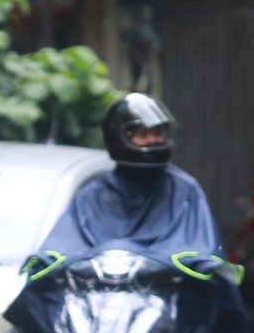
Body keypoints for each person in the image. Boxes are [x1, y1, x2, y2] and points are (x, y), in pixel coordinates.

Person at [40, 93, 225, 261]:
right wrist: (47, 260)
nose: (153, 140)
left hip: (168, 294)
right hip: (99, 294)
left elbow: (204, 249)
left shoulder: (185, 190)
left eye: (157, 133)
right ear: (117, 138)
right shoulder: (92, 195)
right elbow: (62, 244)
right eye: (143, 134)